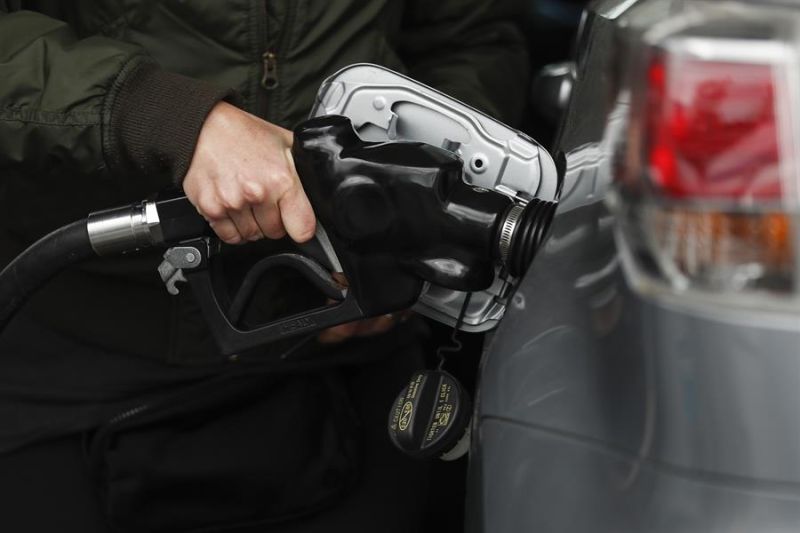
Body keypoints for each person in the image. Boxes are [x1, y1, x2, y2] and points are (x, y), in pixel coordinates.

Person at [0, 1, 530, 531]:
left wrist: (412, 206)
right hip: (78, 342)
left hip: (345, 344)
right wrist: (171, 118)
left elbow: (469, 37)